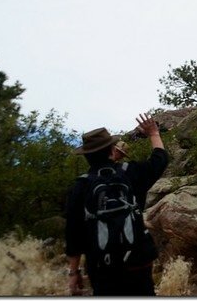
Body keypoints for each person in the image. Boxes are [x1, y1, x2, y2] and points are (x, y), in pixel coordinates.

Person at [65, 113, 168, 296]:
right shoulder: (131, 173)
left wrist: (74, 272)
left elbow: (74, 233)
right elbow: (160, 159)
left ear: (87, 156)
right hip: (138, 260)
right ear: (112, 150)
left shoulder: (81, 186)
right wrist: (153, 133)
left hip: (101, 266)